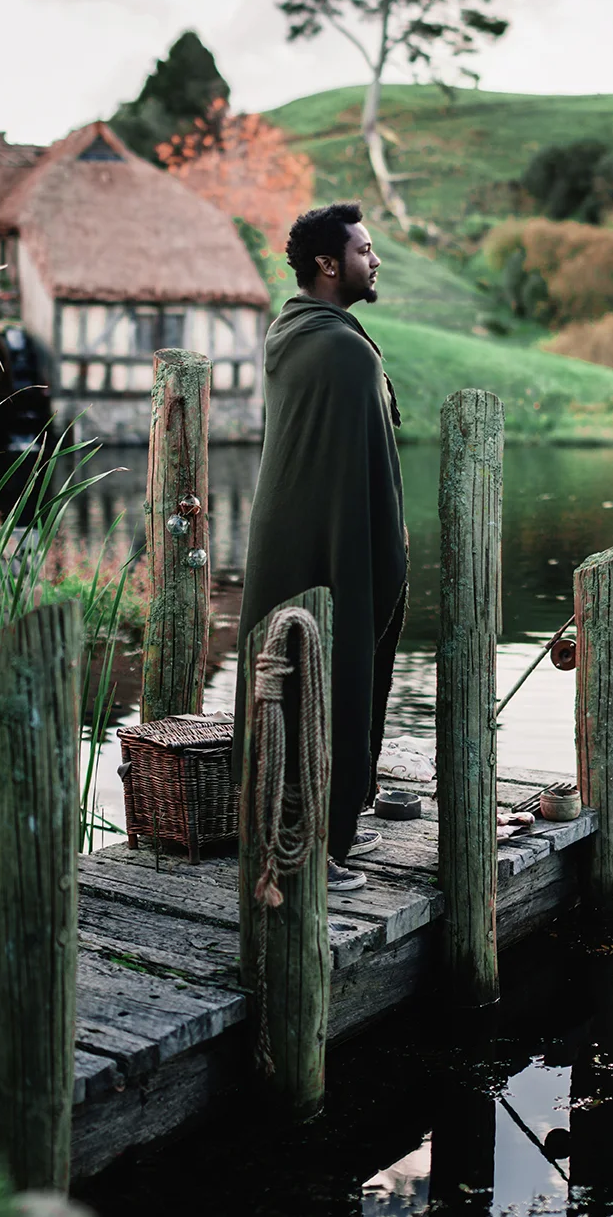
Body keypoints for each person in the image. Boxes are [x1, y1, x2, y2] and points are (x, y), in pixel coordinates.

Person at [238, 202, 406, 893]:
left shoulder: (293, 330)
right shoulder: (338, 347)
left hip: (294, 535)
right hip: (329, 541)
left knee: (308, 678)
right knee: (326, 674)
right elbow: (356, 469)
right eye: (364, 251)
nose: (375, 260)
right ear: (328, 264)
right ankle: (315, 846)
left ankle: (326, 823)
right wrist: (379, 545)